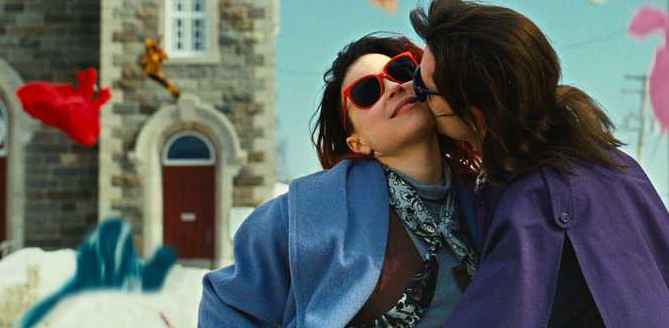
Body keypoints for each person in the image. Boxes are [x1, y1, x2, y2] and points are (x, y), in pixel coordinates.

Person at [409, 0, 669, 328]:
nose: (411, 92)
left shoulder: (535, 205)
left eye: (422, 87)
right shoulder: (616, 165)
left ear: (476, 115)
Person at [198, 33, 481, 328]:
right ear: (358, 142)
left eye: (400, 71)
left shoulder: (486, 197)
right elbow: (224, 303)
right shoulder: (310, 211)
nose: (393, 87)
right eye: (366, 92)